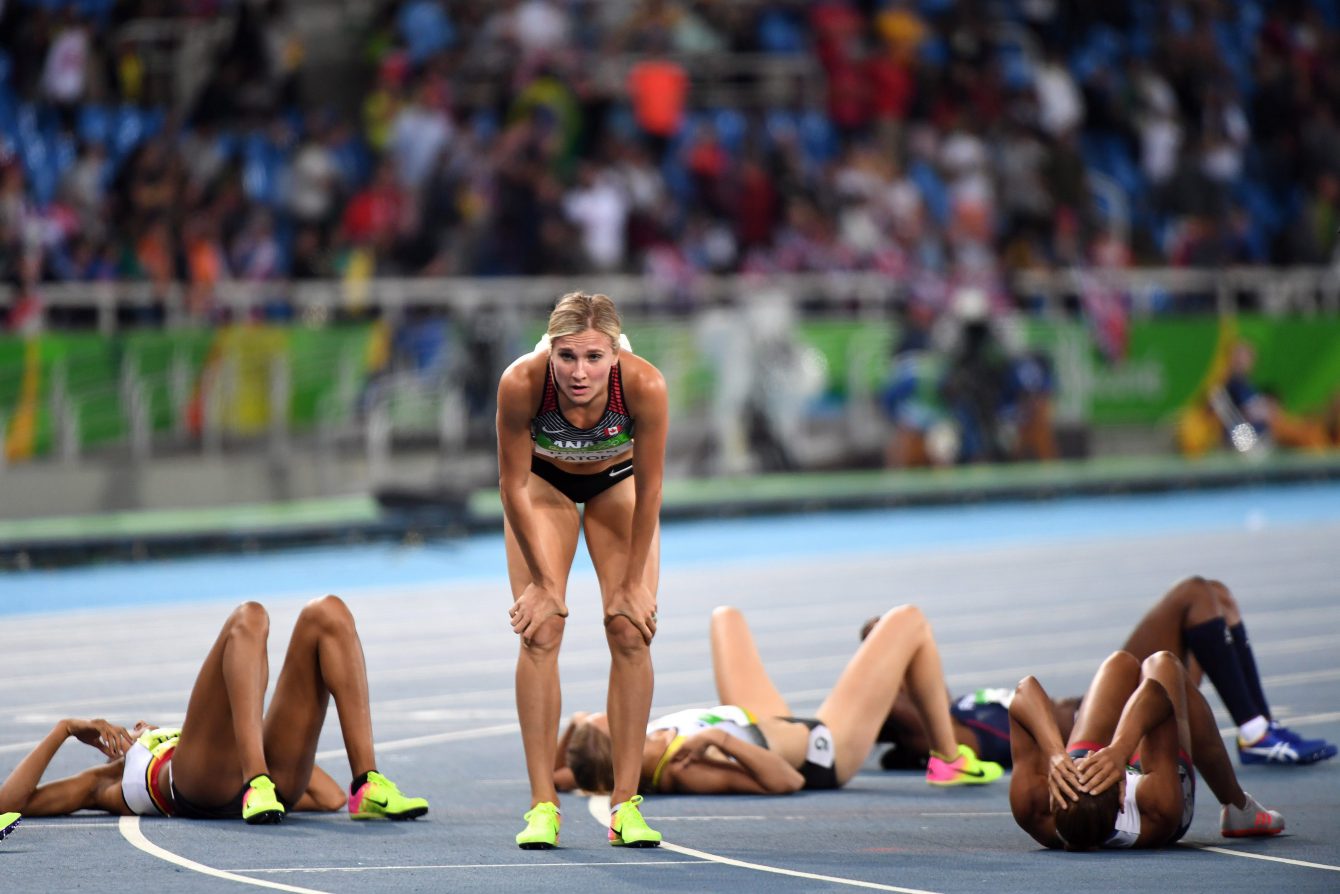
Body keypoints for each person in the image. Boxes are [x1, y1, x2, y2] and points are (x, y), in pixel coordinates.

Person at [0, 596, 428, 824]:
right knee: (249, 617)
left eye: (140, 728)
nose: (132, 731)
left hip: (258, 780)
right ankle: (255, 782)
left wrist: (274, 743)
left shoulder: (201, 737)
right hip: (199, 788)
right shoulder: (100, 782)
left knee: (327, 612)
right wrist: (66, 728)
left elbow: (328, 797)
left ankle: (367, 785)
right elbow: (8, 805)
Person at [496, 291, 668, 849]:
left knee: (630, 630)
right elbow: (511, 486)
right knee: (541, 630)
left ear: (615, 354)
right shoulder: (521, 382)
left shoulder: (644, 385)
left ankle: (625, 806)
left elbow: (652, 490)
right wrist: (544, 585)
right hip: (543, 484)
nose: (579, 372)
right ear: (550, 350)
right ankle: (542, 805)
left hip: (617, 482)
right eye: (567, 356)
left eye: (594, 357)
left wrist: (634, 584)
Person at [866, 575, 1335, 770]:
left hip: (1105, 701)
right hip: (1113, 725)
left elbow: (879, 633)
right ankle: (1255, 735)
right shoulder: (950, 736)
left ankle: (1262, 728)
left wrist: (883, 641)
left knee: (1216, 595)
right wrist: (868, 702)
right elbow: (894, 703)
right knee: (1194, 595)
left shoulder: (948, 705)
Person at [558, 604, 1004, 796]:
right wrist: (721, 740)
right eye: (606, 720)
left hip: (761, 721)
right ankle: (948, 759)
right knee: (908, 620)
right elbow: (786, 782)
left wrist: (575, 728)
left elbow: (562, 774)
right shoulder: (685, 770)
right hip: (824, 750)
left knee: (725, 617)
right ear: (623, 750)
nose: (610, 710)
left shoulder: (638, 745)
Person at [1009, 649, 1285, 850]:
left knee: (1120, 663)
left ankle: (1081, 757)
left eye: (1075, 764)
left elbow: (1024, 690)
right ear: (1122, 793)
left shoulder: (1034, 809)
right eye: (1092, 764)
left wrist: (1056, 754)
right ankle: (1237, 807)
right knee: (1163, 664)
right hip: (1160, 782)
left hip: (1093, 814)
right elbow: (1154, 694)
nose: (1090, 756)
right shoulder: (1157, 808)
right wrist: (1120, 750)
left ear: (1052, 797)